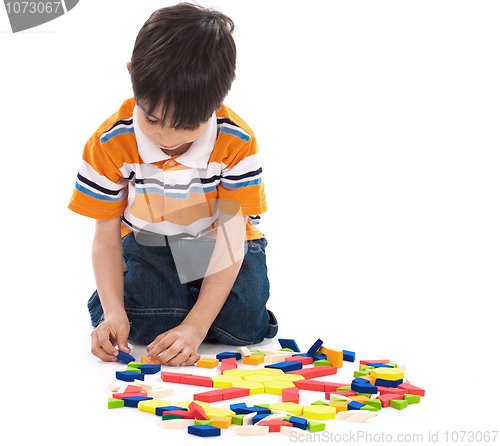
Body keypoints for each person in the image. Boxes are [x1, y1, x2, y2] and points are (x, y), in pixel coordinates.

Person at [68, 3, 278, 366]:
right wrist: (114, 313)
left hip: (224, 244)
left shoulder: (237, 143)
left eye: (185, 126)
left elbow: (231, 242)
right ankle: (127, 301)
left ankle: (191, 302)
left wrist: (195, 328)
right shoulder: (109, 143)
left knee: (243, 327)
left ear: (217, 102)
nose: (165, 136)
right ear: (133, 75)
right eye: (151, 117)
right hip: (151, 240)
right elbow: (105, 236)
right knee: (147, 325)